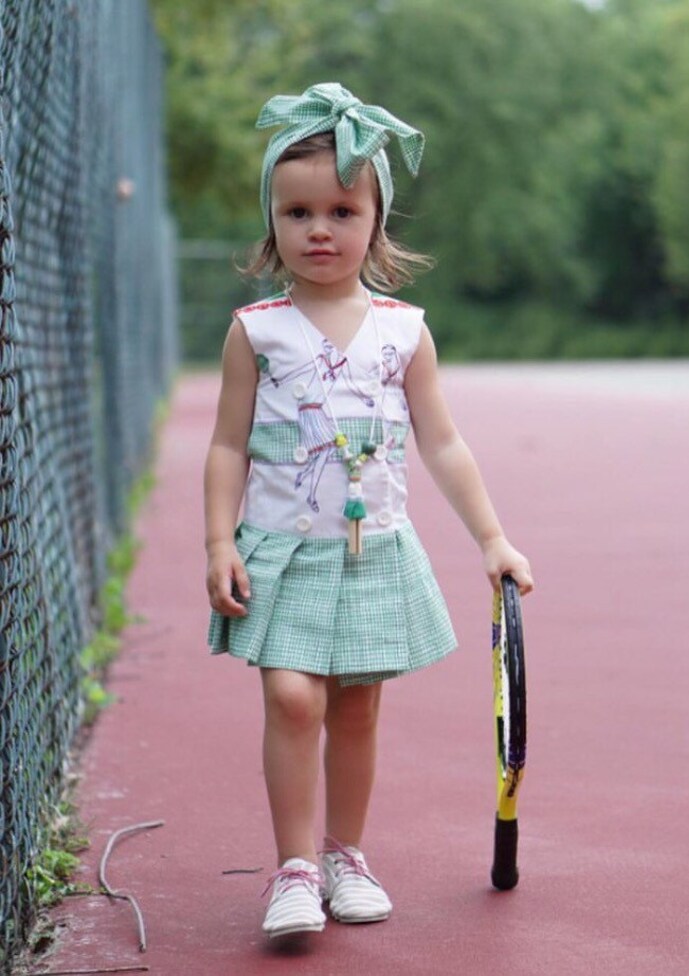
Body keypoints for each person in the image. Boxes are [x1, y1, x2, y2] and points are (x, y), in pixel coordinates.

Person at [204, 83, 533, 940]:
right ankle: (293, 869)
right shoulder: (256, 332)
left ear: (376, 222)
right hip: (282, 555)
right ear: (272, 221)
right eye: (297, 211)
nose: (320, 229)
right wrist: (217, 542)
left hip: (371, 553)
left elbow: (443, 444)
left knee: (356, 709)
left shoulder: (404, 331)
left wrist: (492, 539)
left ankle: (345, 855)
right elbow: (228, 446)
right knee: (293, 700)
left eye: (342, 211)